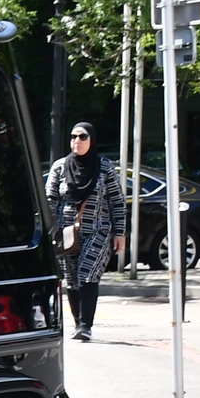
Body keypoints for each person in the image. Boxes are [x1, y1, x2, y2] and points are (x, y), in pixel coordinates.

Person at [45, 121, 127, 342]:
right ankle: (77, 322)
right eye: (73, 137)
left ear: (91, 139)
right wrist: (47, 231)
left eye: (82, 137)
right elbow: (50, 200)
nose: (77, 141)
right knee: (71, 279)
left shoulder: (104, 167)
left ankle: (85, 325)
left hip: (97, 230)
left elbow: (117, 202)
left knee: (87, 273)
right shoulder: (60, 167)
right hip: (67, 233)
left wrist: (120, 232)